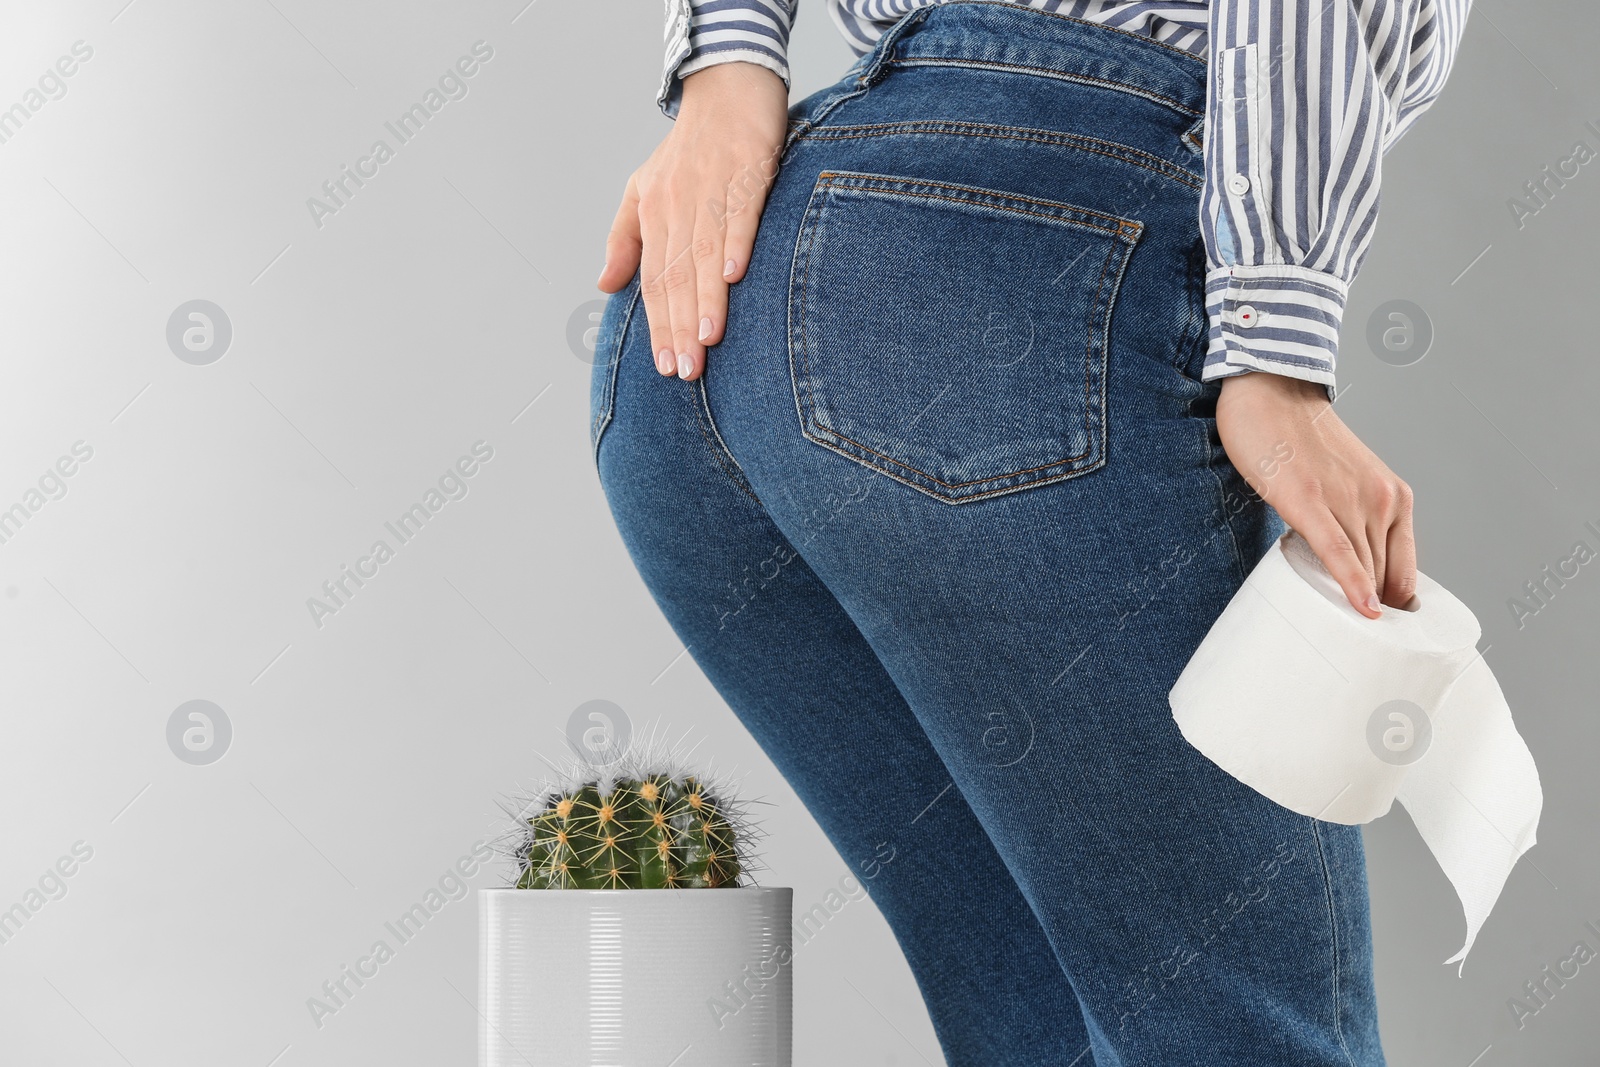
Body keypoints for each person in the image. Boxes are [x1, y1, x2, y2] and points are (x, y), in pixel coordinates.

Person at [588, 1, 1463, 1061]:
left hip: (709, 293)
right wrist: (1272, 345)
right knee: (1246, 1039)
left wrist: (725, 66)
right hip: (1014, 276)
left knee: (1041, 1034)